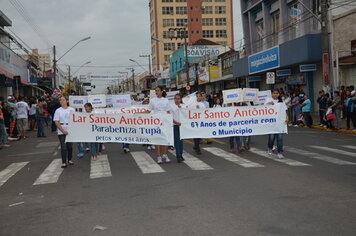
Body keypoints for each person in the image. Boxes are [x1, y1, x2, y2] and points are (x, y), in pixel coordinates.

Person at [148, 86, 172, 164]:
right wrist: (138, 114)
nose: (156, 92)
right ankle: (158, 156)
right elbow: (148, 111)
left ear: (162, 91)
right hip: (156, 122)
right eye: (155, 91)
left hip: (165, 121)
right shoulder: (152, 101)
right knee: (158, 139)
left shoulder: (166, 100)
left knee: (165, 139)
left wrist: (171, 121)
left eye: (158, 90)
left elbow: (168, 111)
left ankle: (165, 155)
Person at [264, 89, 288, 159]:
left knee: (280, 138)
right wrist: (269, 104)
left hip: (280, 122)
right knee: (271, 137)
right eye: (274, 93)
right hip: (271, 122)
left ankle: (280, 152)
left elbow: (284, 111)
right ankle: (270, 148)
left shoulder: (281, 102)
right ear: (271, 94)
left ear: (279, 94)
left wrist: (287, 117)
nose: (275, 94)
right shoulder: (268, 100)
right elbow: (263, 109)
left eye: (277, 93)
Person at [53, 96, 75, 168]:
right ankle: (64, 162)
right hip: (61, 129)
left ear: (67, 101)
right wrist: (63, 130)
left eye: (63, 100)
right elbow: (56, 121)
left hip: (70, 129)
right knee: (63, 146)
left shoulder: (71, 109)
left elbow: (75, 119)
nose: (61, 101)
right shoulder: (58, 110)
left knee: (70, 146)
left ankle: (69, 159)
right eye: (60, 100)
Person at [171, 94, 185, 163]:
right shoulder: (171, 106)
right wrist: (176, 123)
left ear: (180, 99)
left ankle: (181, 154)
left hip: (182, 126)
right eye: (176, 98)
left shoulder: (183, 106)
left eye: (178, 98)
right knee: (177, 141)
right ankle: (178, 155)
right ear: (174, 99)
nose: (177, 100)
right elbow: (170, 117)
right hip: (175, 125)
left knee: (181, 140)